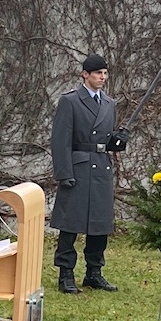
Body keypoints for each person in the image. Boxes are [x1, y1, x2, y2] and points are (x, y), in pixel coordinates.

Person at [50, 53, 119, 294]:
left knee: (99, 225)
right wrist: (64, 172)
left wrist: (117, 141)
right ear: (85, 75)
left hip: (101, 168)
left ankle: (94, 272)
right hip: (78, 168)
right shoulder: (70, 101)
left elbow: (106, 138)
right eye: (98, 73)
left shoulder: (109, 104)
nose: (102, 77)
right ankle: (65, 273)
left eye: (104, 73)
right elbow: (60, 140)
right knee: (70, 224)